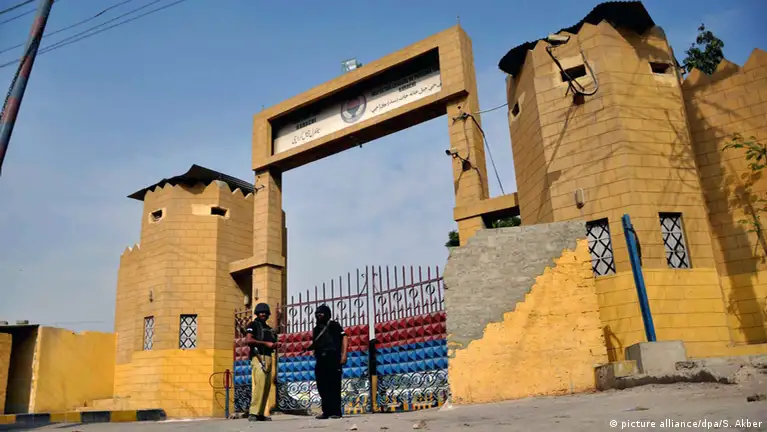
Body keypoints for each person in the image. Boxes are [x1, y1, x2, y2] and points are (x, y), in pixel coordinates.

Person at [311, 304, 348, 420]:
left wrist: (344, 354)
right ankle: (326, 411)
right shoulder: (316, 329)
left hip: (333, 358)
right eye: (317, 313)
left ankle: (336, 412)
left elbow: (344, 337)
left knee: (334, 385)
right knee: (322, 386)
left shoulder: (334, 325)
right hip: (320, 360)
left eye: (321, 313)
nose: (319, 315)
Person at [245, 303, 278, 422]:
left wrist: (275, 345)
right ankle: (253, 413)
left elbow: (272, 343)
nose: (263, 314)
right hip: (258, 356)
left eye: (265, 312)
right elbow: (249, 340)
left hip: (269, 357)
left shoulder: (269, 329)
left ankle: (260, 413)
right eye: (261, 312)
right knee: (260, 384)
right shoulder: (253, 325)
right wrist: (266, 344)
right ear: (257, 314)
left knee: (266, 385)